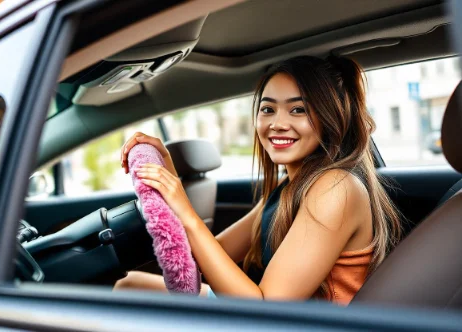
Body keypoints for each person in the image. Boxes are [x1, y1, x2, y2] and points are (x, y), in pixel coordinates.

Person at [113, 55, 403, 304]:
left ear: (329, 118)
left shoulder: (335, 189)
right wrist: (168, 171)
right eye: (267, 109)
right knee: (129, 286)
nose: (277, 123)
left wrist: (187, 213)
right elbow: (208, 256)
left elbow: (266, 306)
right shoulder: (288, 187)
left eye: (297, 109)